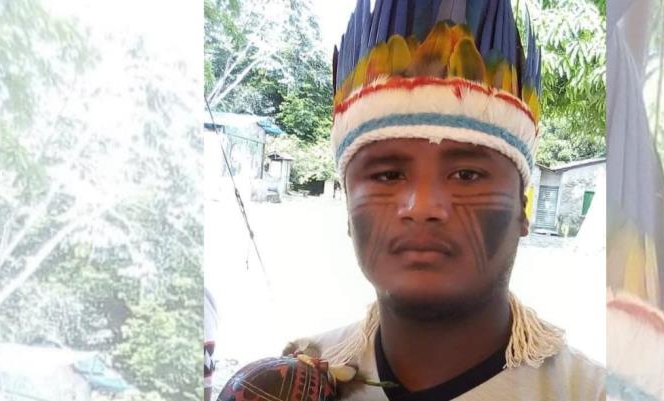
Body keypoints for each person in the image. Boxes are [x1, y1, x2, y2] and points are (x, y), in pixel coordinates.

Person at [219, 1, 605, 400]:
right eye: (388, 175)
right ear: (348, 207)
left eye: (466, 175)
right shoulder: (292, 384)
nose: (422, 206)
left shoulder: (590, 392)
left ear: (523, 208)